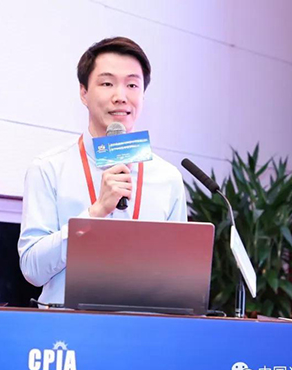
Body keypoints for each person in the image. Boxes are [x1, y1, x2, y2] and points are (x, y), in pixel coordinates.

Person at [18, 37, 187, 305]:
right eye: (107, 83)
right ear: (83, 93)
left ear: (143, 95)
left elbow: (181, 277)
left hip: (143, 326)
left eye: (132, 85)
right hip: (67, 327)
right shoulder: (49, 168)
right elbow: (32, 269)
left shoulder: (168, 178)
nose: (120, 96)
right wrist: (95, 213)